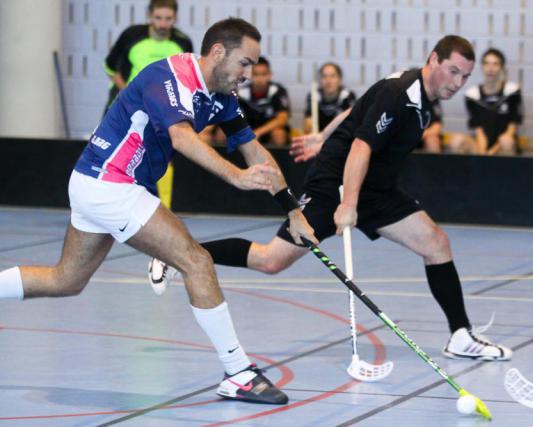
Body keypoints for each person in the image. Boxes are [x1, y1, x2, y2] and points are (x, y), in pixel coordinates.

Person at [0, 18, 317, 405]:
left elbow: (256, 152)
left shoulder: (222, 96)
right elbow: (181, 138)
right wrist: (236, 177)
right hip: (110, 183)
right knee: (196, 261)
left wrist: (292, 211)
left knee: (66, 280)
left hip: (98, 184)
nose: (248, 74)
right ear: (218, 52)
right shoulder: (167, 78)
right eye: (244, 63)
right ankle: (238, 373)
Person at [150, 35, 513, 361]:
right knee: (270, 260)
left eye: (465, 77)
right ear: (433, 59)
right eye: (453, 71)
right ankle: (179, 254)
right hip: (335, 186)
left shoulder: (422, 99)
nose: (457, 83)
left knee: (436, 242)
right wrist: (348, 204)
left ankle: (460, 335)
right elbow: (360, 146)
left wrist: (323, 136)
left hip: (377, 189)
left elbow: (358, 111)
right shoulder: (400, 92)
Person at [104, 0, 193, 208]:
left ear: (175, 18)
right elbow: (110, 67)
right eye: (158, 18)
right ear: (149, 16)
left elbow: (187, 77)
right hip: (125, 106)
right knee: (115, 154)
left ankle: (163, 208)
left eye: (168, 19)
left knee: (163, 157)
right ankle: (113, 204)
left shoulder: (183, 43)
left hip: (161, 109)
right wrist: (127, 92)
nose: (163, 24)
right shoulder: (131, 36)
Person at [448, 48, 523, 155]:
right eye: (487, 64)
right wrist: (483, 156)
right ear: (482, 67)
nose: (490, 68)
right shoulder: (472, 95)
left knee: (506, 141)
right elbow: (479, 131)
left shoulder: (512, 91)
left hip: (502, 146)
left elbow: (511, 129)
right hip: (481, 145)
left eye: (495, 64)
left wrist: (491, 153)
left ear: (502, 67)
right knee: (457, 141)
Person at [236, 56, 291, 146]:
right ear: (249, 75)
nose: (260, 78)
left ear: (270, 75)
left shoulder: (277, 91)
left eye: (264, 74)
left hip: (269, 130)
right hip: (249, 129)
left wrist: (258, 132)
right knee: (222, 133)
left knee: (279, 134)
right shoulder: (241, 93)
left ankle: (278, 156)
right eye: (255, 74)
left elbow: (282, 119)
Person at [303, 62, 357, 134]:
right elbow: (308, 121)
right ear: (320, 80)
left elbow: (352, 124)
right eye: (324, 76)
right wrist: (309, 124)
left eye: (332, 76)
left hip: (341, 137)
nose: (328, 81)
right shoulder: (313, 96)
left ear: (339, 79)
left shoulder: (348, 96)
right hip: (318, 137)